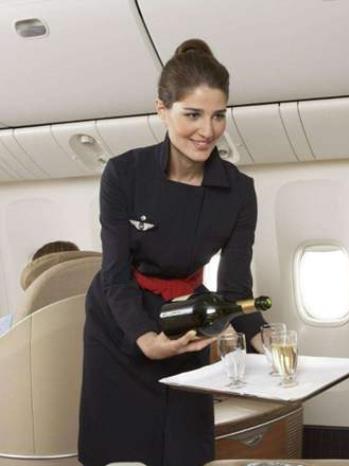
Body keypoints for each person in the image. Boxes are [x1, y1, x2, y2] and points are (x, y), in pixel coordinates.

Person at [78, 39, 266, 466]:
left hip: (186, 318)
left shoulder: (239, 191)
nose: (208, 130)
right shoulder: (124, 174)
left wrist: (264, 338)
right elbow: (115, 274)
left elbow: (235, 287)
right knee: (121, 450)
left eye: (219, 115)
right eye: (192, 115)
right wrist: (144, 339)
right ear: (162, 110)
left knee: (186, 448)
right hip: (119, 324)